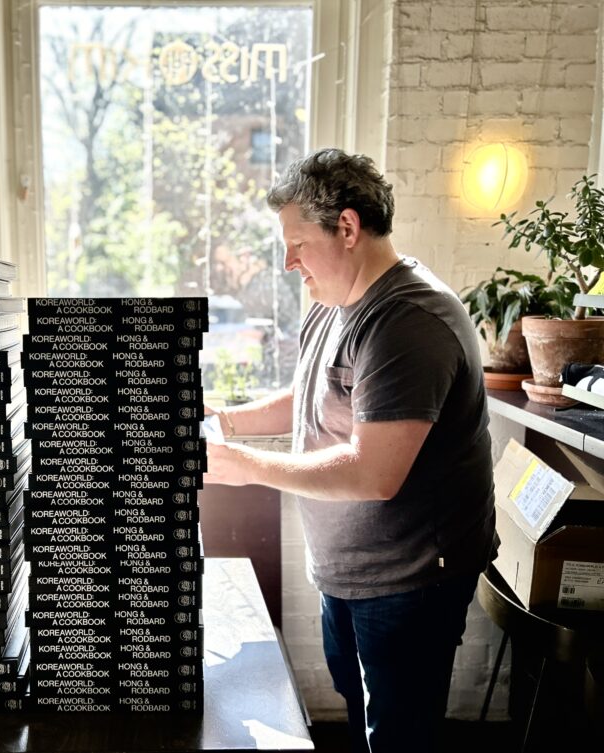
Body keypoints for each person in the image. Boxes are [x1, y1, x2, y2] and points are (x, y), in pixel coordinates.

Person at [204, 148, 496, 753]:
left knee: (397, 734)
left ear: (346, 227)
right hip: (350, 571)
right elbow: (311, 394)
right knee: (363, 714)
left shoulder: (407, 322)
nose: (288, 262)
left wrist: (246, 467)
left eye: (297, 244)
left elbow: (373, 472)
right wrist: (224, 419)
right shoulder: (336, 302)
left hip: (410, 581)